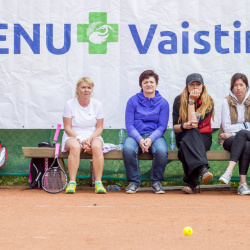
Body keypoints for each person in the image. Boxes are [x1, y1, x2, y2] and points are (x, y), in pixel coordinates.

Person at [123, 70, 169, 194]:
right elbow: (129, 125)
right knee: (128, 149)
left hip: (155, 136)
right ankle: (134, 182)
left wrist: (150, 139)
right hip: (135, 135)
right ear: (141, 85)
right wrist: (140, 139)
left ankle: (156, 182)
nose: (149, 84)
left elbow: (162, 126)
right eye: (145, 82)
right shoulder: (132, 101)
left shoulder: (163, 103)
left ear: (157, 84)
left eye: (151, 82)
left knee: (161, 151)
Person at [62, 77, 106, 194]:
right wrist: (81, 140)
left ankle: (98, 183)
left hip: (92, 136)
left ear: (92, 90)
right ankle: (72, 182)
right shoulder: (69, 104)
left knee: (97, 147)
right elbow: (67, 128)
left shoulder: (98, 104)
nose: (86, 90)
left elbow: (99, 128)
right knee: (75, 147)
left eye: (89, 88)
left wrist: (90, 139)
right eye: (83, 87)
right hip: (72, 136)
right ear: (77, 89)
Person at [172, 73, 214, 194]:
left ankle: (191, 182)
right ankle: (203, 170)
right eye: (192, 85)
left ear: (203, 87)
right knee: (189, 133)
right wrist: (183, 125)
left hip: (203, 137)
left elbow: (194, 123)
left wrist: (191, 102)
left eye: (198, 85)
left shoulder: (208, 101)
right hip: (183, 134)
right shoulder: (178, 100)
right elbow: (176, 127)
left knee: (183, 150)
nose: (195, 88)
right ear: (187, 87)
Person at [218, 73, 250, 195]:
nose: (238, 88)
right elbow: (226, 127)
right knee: (246, 144)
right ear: (232, 87)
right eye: (235, 85)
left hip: (233, 135)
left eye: (241, 85)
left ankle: (229, 171)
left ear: (246, 87)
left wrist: (233, 132)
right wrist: (246, 125)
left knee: (243, 134)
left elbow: (230, 130)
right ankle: (242, 184)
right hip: (229, 140)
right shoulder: (226, 102)